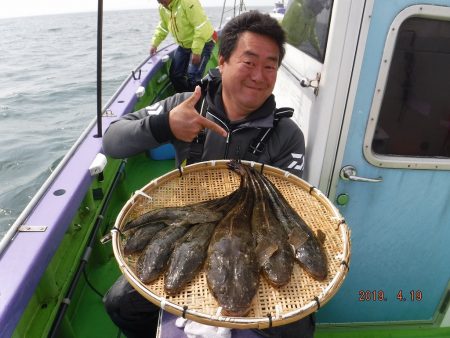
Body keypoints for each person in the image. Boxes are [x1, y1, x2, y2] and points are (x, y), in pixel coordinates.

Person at [103, 10, 313, 338]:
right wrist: (165, 124)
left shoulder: (287, 135)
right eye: (249, 61)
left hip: (249, 235)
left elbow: (284, 209)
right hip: (187, 227)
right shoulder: (185, 105)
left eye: (270, 66)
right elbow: (113, 140)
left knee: (296, 330)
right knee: (119, 303)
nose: (259, 75)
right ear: (223, 61)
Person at [150, 0, 216, 93]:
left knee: (193, 76)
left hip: (203, 42)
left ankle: (199, 102)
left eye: (162, 0)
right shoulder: (163, 7)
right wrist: (154, 43)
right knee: (175, 75)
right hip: (184, 45)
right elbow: (163, 27)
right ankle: (185, 99)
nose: (160, 3)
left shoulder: (188, 2)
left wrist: (196, 51)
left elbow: (201, 27)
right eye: (158, 1)